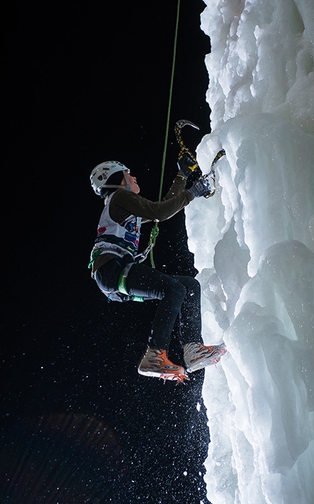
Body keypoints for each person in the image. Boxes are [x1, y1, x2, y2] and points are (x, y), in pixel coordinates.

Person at [89, 157, 226, 383]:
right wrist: (195, 191)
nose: (133, 177)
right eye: (127, 174)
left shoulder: (122, 205)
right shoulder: (120, 197)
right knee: (173, 290)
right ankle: (154, 355)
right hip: (112, 270)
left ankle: (192, 350)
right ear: (117, 181)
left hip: (113, 272)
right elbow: (159, 212)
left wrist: (182, 176)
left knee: (188, 286)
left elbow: (162, 209)